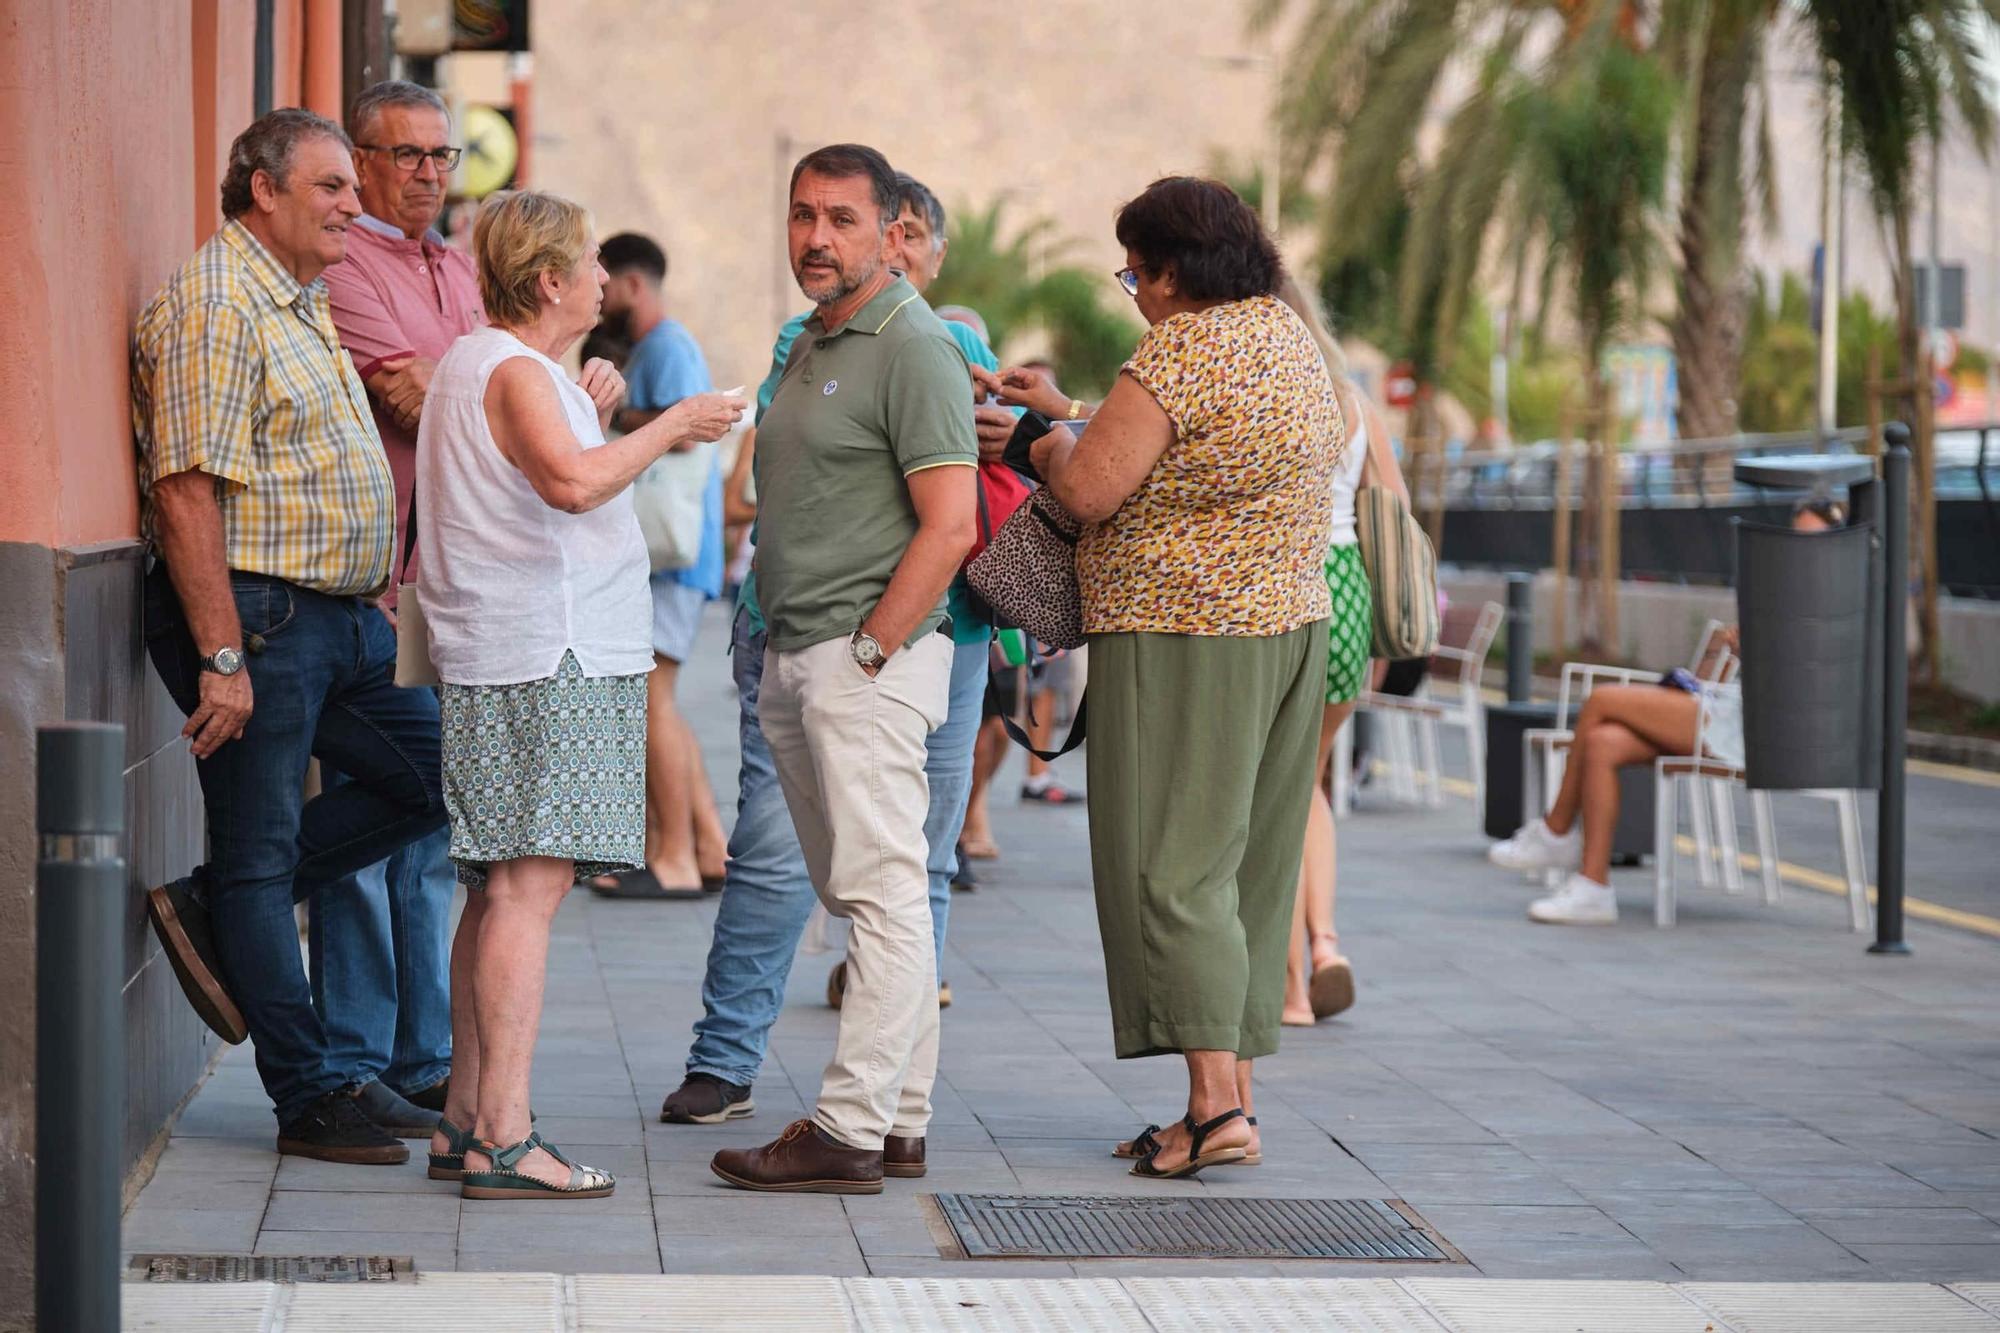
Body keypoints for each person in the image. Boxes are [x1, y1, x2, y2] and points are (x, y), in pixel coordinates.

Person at [1006, 177, 1341, 1179]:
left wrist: (1035, 441)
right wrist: (1069, 412)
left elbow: (1093, 484)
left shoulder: (1181, 347)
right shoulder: (1285, 339)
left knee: (1171, 868)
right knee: (1243, 874)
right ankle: (1227, 1101)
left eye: (1135, 273)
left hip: (1181, 633)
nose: (1133, 294)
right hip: (1288, 628)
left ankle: (1208, 1108)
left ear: (1172, 268)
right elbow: (1187, 453)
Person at [415, 189, 744, 1198]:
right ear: (552, 279)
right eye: (592, 260)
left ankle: (467, 1121)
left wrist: (594, 414)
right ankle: (505, 1137)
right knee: (528, 886)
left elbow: (547, 473)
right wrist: (676, 423)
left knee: (496, 883)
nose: (605, 277)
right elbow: (566, 486)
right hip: (544, 653)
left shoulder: (499, 367)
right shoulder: (512, 367)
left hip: (514, 649)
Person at [135, 108, 446, 1164]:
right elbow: (183, 493)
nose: (354, 204)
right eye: (331, 187)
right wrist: (220, 658)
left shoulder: (296, 294)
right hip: (261, 620)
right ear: (263, 190)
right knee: (263, 852)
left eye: (350, 190)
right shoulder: (219, 302)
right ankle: (311, 1094)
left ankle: (217, 908)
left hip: (341, 620)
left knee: (444, 776)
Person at [658, 167, 988, 1129]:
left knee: (888, 889)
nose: (816, 235)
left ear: (893, 235)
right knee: (864, 886)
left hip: (869, 653)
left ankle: (848, 1128)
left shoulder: (920, 346)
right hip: (792, 644)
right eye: (803, 215)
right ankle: (903, 1123)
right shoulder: (807, 342)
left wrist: (873, 652)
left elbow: (951, 522)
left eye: (842, 219)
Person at [316, 79, 483, 1133]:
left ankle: (424, 1058)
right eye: (404, 154)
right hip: (371, 590)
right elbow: (414, 395)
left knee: (432, 828)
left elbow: (484, 388)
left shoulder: (459, 267)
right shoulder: (347, 263)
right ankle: (350, 1056)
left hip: (445, 589)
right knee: (366, 826)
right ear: (363, 162)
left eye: (439, 155)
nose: (425, 172)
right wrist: (501, 396)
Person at [1488, 504, 1842, 924]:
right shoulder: (1790, 594)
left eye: (1811, 537)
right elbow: (1712, 679)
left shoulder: (1831, 601)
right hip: (1728, 712)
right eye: (1794, 535)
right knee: (1603, 742)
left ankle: (1555, 830)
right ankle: (1593, 888)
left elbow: (1805, 685)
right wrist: (1732, 646)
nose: (1798, 547)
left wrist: (1760, 648)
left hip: (1760, 731)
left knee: (1602, 701)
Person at [1273, 274, 1407, 1025]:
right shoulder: (1354, 404)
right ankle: (1326, 941)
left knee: (1277, 791)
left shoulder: (1265, 395)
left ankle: (1291, 990)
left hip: (1286, 588)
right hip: (1350, 590)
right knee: (1309, 781)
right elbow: (1394, 508)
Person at [587, 231, 729, 899]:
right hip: (670, 557)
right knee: (659, 703)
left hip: (672, 554)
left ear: (633, 285)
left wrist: (614, 418)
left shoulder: (667, 347)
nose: (598, 292)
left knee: (653, 704)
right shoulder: (654, 347)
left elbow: (686, 433)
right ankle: (705, 846)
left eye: (604, 280)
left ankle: (670, 857)